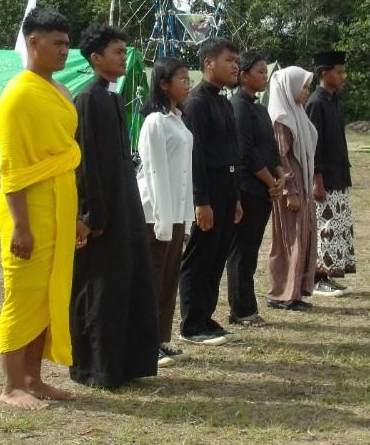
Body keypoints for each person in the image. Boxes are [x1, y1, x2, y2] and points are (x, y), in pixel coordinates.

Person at [0, 8, 89, 410]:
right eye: (57, 43)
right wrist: (21, 226)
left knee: (50, 292)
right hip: (28, 208)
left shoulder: (61, 90)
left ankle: (34, 378)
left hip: (61, 201)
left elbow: (65, 156)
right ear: (33, 42)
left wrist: (77, 216)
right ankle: (12, 384)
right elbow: (12, 167)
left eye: (68, 44)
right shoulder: (18, 94)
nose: (65, 51)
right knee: (23, 293)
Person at [70, 24, 159, 388]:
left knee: (127, 283)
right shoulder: (89, 99)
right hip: (104, 211)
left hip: (124, 205)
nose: (124, 57)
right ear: (96, 58)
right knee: (101, 289)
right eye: (118, 52)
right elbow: (87, 162)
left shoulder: (111, 96)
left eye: (125, 50)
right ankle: (96, 366)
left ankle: (125, 363)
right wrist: (93, 215)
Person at [178, 37, 243, 345]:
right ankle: (191, 323)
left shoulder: (223, 101)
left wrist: (236, 197)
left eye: (236, 60)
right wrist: (200, 201)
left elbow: (232, 151)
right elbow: (196, 156)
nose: (236, 66)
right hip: (207, 189)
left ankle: (206, 316)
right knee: (200, 255)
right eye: (229, 59)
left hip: (227, 188)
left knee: (217, 255)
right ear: (208, 63)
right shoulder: (196, 103)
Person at [136, 57, 194, 367]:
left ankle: (160, 338)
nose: (188, 84)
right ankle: (144, 343)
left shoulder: (178, 119)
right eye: (182, 79)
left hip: (175, 212)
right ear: (163, 84)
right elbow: (155, 172)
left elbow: (184, 172)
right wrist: (162, 218)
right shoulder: (155, 122)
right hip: (155, 212)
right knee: (153, 277)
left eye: (188, 79)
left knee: (168, 278)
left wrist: (185, 217)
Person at [227, 52, 284, 327]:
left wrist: (280, 174)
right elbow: (246, 152)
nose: (264, 76)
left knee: (252, 250)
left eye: (265, 71)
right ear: (244, 75)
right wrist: (270, 181)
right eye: (260, 71)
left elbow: (271, 147)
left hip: (265, 189)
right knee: (241, 251)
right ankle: (241, 309)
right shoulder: (238, 106)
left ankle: (247, 306)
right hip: (248, 187)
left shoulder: (260, 108)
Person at [266, 66, 319, 311]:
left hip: (303, 179)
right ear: (290, 87)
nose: (307, 92)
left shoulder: (297, 112)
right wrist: (291, 191)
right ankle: (282, 294)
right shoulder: (281, 117)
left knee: (303, 234)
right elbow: (281, 158)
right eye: (304, 86)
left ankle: (296, 291)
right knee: (290, 238)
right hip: (291, 183)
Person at [305, 51, 356, 296]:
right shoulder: (315, 102)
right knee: (323, 228)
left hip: (338, 176)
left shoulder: (333, 101)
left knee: (336, 227)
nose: (342, 76)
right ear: (325, 74)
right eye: (339, 72)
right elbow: (314, 146)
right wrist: (317, 179)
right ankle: (316, 278)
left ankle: (329, 273)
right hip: (323, 179)